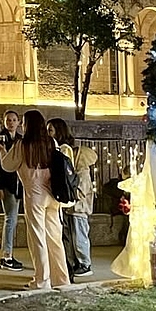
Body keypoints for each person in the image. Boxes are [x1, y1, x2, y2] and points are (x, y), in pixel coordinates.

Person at [0, 110, 69, 289]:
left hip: (34, 194)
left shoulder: (23, 144)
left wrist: (2, 152)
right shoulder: (51, 142)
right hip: (53, 194)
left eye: (22, 122)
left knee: (37, 237)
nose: (21, 124)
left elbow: (8, 165)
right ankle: (61, 278)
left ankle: (42, 280)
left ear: (28, 125)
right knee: (55, 237)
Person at [48, 117, 98, 278]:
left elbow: (82, 180)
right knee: (70, 235)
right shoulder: (61, 151)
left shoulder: (71, 153)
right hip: (70, 203)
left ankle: (84, 263)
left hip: (77, 203)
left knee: (78, 234)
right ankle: (76, 263)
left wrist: (77, 197)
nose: (48, 134)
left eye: (51, 130)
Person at [0, 110, 24, 271]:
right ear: (4, 122)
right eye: (8, 120)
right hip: (8, 185)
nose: (11, 122)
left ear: (18, 122)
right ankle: (6, 256)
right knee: (10, 219)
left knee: (12, 220)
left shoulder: (21, 140)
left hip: (19, 185)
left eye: (14, 120)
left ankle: (8, 254)